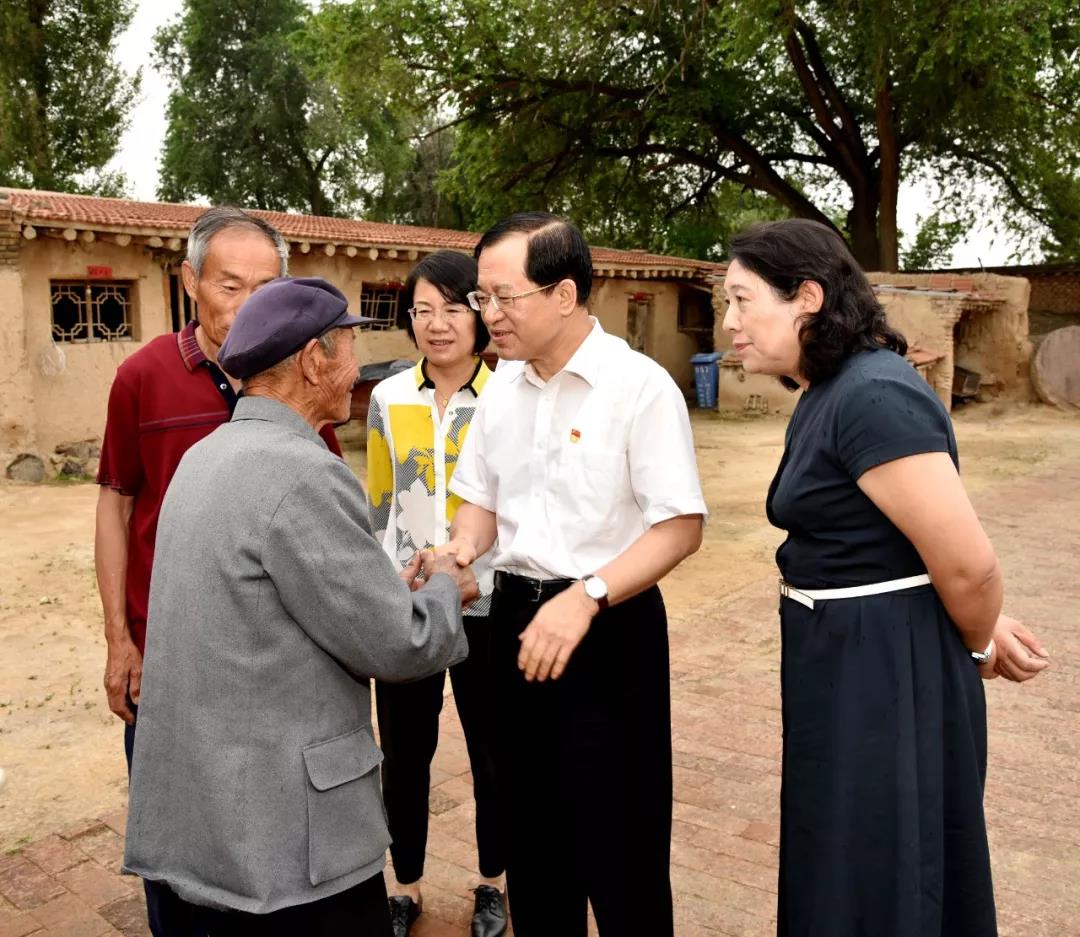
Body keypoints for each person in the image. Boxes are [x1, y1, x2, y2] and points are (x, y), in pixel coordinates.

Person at [720, 218, 1050, 937]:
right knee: (843, 854)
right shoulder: (828, 390)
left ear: (806, 296)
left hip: (886, 672)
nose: (730, 322)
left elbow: (967, 562)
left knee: (885, 864)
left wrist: (972, 640)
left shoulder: (874, 393)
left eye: (743, 300)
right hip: (848, 663)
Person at [123, 276, 478, 935]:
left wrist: (377, 593)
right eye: (350, 349)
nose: (357, 371)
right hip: (291, 847)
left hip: (214, 819)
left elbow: (270, 610)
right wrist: (441, 587)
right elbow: (401, 644)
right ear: (315, 358)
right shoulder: (304, 471)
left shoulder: (203, 458)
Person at [442, 212, 707, 937]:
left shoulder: (638, 387)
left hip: (609, 633)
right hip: (515, 634)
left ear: (564, 294)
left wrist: (587, 595)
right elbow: (482, 502)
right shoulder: (501, 389)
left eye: (504, 297)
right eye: (480, 298)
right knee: (534, 843)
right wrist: (459, 551)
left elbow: (680, 524)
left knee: (622, 850)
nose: (488, 314)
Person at [94, 206, 342, 935]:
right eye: (231, 286)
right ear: (190, 281)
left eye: (267, 287)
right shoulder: (143, 377)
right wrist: (118, 639)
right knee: (177, 853)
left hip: (270, 671)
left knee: (270, 846)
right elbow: (114, 505)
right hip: (167, 661)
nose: (249, 305)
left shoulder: (300, 376)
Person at [366, 251, 507, 937]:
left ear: (480, 314)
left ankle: (493, 882)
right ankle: (406, 885)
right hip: (408, 602)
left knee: (495, 751)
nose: (437, 323)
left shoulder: (513, 395)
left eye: (453, 308)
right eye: (423, 309)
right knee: (404, 752)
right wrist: (381, 579)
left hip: (492, 599)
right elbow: (377, 502)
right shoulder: (387, 397)